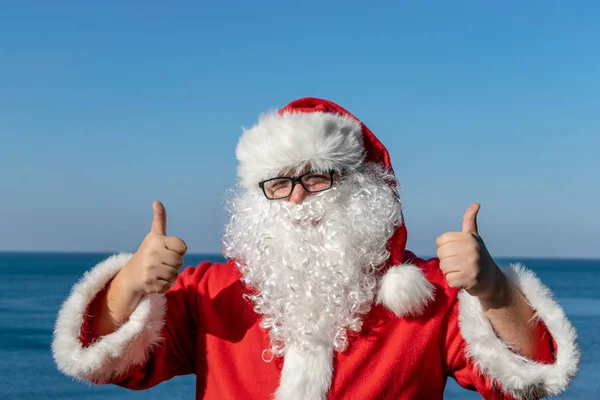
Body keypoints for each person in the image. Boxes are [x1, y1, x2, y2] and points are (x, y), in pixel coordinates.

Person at [51, 97, 580, 400]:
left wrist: (493, 291)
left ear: (366, 185)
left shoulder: (435, 294)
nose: (298, 198)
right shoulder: (213, 293)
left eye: (319, 177)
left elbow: (528, 380)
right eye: (278, 183)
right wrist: (130, 284)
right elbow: (114, 363)